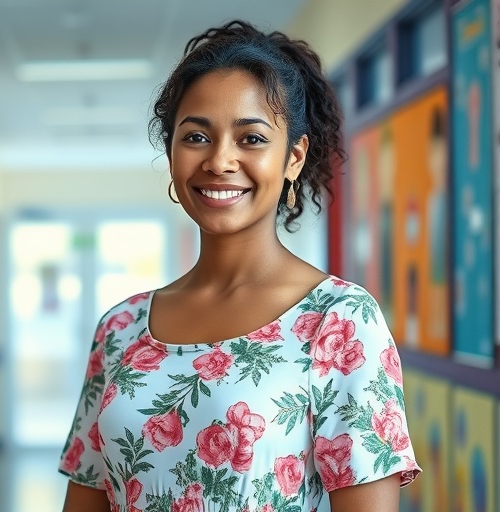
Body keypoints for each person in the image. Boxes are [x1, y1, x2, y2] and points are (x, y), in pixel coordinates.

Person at [59, 20, 420, 512]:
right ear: (171, 154)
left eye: (251, 138)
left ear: (293, 157)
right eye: (195, 137)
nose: (220, 161)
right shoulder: (119, 329)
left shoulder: (339, 323)